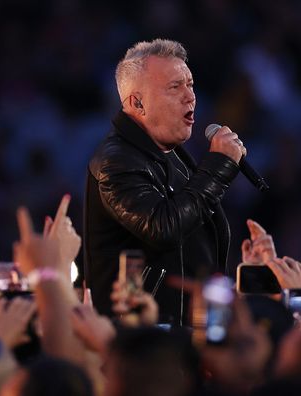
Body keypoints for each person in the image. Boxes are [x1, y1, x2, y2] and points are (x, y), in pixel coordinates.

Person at [84, 38, 246, 326]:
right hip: (142, 344)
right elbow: (163, 227)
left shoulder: (174, 155)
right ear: (137, 103)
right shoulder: (115, 162)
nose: (190, 97)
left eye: (191, 84)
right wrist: (219, 166)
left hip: (187, 332)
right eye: (175, 87)